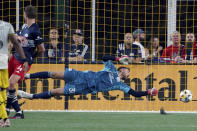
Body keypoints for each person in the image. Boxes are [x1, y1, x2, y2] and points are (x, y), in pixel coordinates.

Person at [17, 56, 157, 101]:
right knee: (54, 74)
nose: (129, 73)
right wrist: (117, 58)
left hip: (83, 88)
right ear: (122, 69)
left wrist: (148, 92)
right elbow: (104, 58)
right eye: (128, 70)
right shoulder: (112, 68)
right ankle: (27, 76)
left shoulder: (120, 85)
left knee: (55, 92)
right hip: (81, 75)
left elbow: (134, 93)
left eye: (129, 73)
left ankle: (30, 96)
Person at [6, 5, 45, 119]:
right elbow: (16, 35)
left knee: (11, 82)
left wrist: (31, 58)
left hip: (23, 62)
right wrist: (12, 43)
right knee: (5, 84)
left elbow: (42, 49)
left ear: (25, 15)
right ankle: (18, 112)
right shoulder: (24, 27)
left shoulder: (35, 30)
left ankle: (6, 109)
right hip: (14, 58)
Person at [0, 20, 27, 127]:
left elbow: (16, 42)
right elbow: (15, 42)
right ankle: (7, 116)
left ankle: (4, 117)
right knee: (3, 90)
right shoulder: (7, 26)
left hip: (5, 62)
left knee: (5, 89)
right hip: (3, 63)